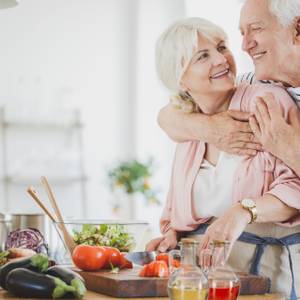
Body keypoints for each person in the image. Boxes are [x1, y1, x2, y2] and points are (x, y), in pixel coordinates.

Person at [146, 16, 300, 298]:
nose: (221, 59)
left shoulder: (266, 101)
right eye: (203, 56)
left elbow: (295, 187)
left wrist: (244, 211)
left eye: (221, 47)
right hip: (205, 283)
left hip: (264, 280)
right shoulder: (188, 129)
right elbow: (174, 210)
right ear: (180, 78)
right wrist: (172, 235)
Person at [158, 0, 300, 174]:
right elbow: (166, 117)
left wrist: (291, 151)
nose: (245, 46)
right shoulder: (255, 84)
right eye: (242, 34)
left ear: (297, 30)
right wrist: (211, 128)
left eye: (256, 28)